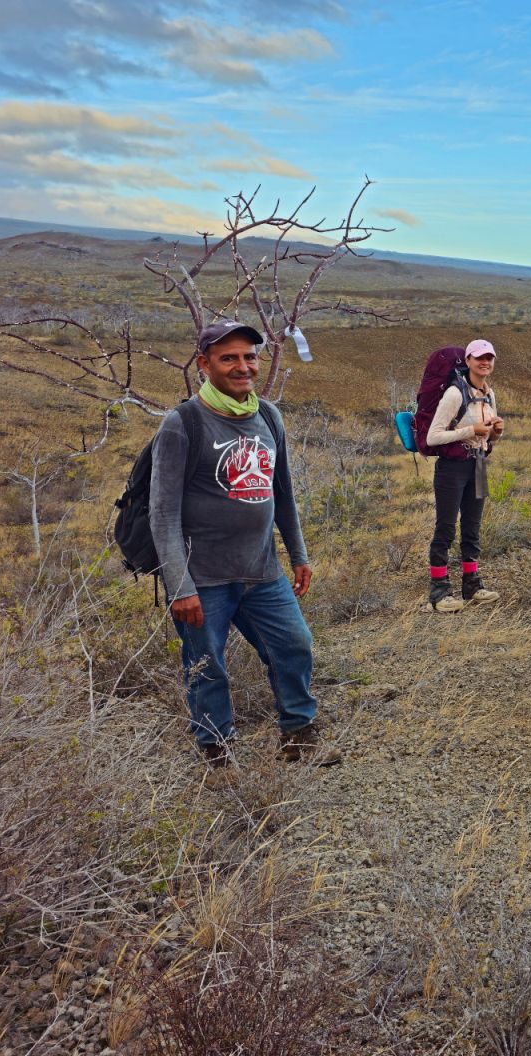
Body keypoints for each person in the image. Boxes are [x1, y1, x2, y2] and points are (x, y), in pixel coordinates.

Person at [149, 320, 339, 770]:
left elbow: (283, 493)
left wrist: (299, 554)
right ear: (204, 364)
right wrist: (181, 585)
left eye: (249, 356)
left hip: (262, 570)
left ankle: (299, 735)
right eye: (228, 358)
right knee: (206, 667)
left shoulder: (268, 416)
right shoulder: (184, 423)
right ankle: (217, 754)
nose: (242, 366)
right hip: (204, 578)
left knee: (294, 645)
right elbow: (162, 513)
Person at [425, 338, 505, 612]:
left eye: (490, 358)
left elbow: (489, 438)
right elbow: (433, 436)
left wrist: (496, 431)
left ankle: (472, 585)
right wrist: (471, 431)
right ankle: (439, 592)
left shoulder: (489, 394)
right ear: (468, 360)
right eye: (480, 358)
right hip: (452, 469)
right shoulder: (454, 394)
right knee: (446, 527)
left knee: (472, 526)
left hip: (479, 464)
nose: (485, 363)